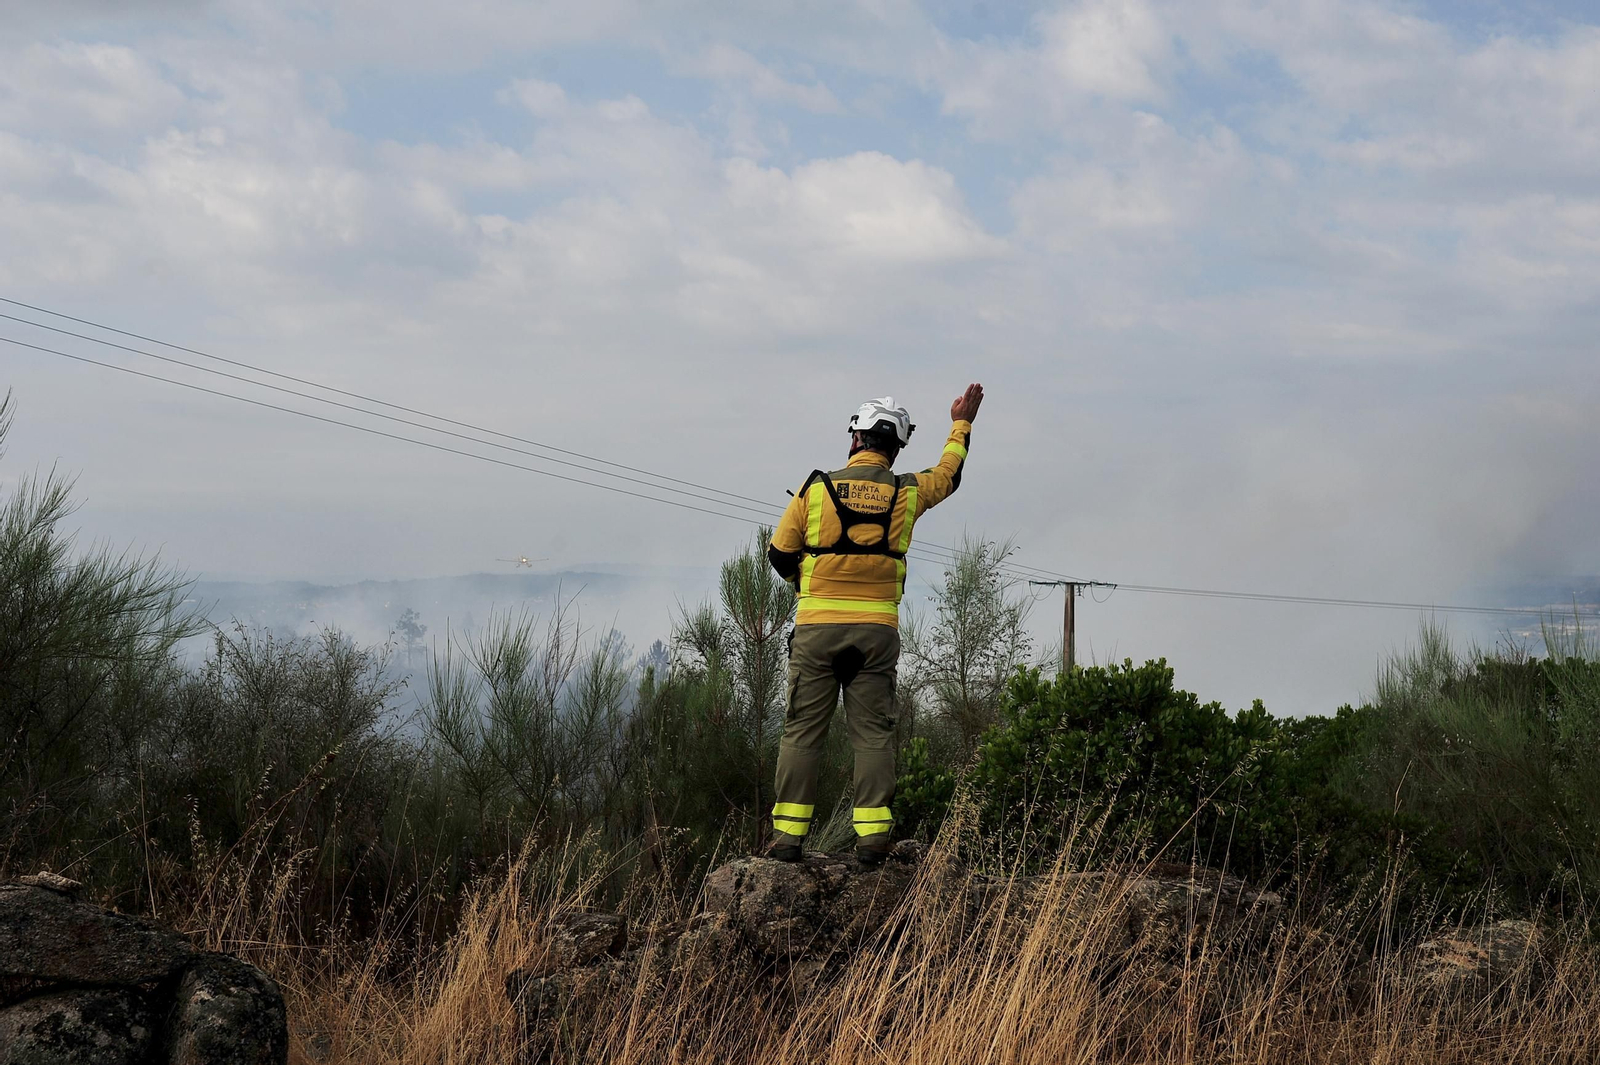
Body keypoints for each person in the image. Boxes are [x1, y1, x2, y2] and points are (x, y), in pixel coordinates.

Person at [765, 383, 984, 865]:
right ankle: (872, 843)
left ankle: (786, 841)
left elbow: (779, 555)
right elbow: (949, 475)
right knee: (873, 735)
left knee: (802, 732)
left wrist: (810, 580)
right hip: (876, 634)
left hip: (816, 631)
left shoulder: (815, 489)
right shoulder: (908, 492)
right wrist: (961, 423)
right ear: (896, 448)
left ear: (856, 439)